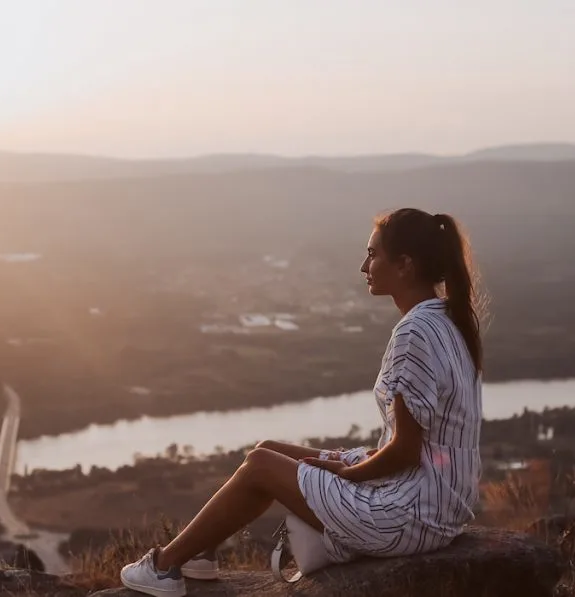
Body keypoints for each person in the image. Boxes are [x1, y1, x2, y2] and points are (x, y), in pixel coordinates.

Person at [119, 208, 487, 597]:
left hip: (409, 516)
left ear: (405, 266)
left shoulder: (415, 332)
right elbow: (419, 451)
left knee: (261, 466)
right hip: (434, 504)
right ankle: (201, 554)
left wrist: (346, 475)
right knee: (268, 451)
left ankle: (163, 567)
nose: (364, 266)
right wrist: (343, 466)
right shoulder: (447, 320)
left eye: (373, 255)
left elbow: (406, 453)